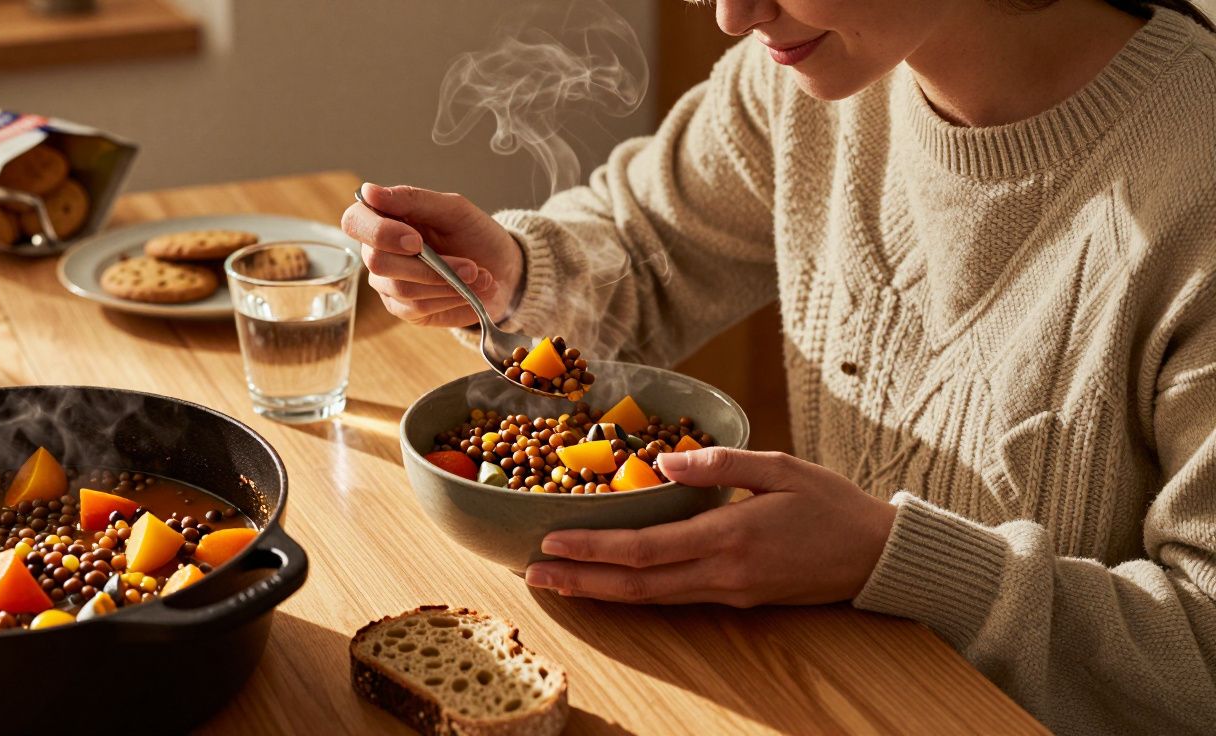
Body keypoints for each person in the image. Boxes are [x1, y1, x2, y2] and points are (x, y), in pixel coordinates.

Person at [341, 1, 1216, 732]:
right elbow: (641, 250)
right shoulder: (802, 80)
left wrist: (891, 559)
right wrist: (512, 274)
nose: (731, 15)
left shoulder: (1196, 179)